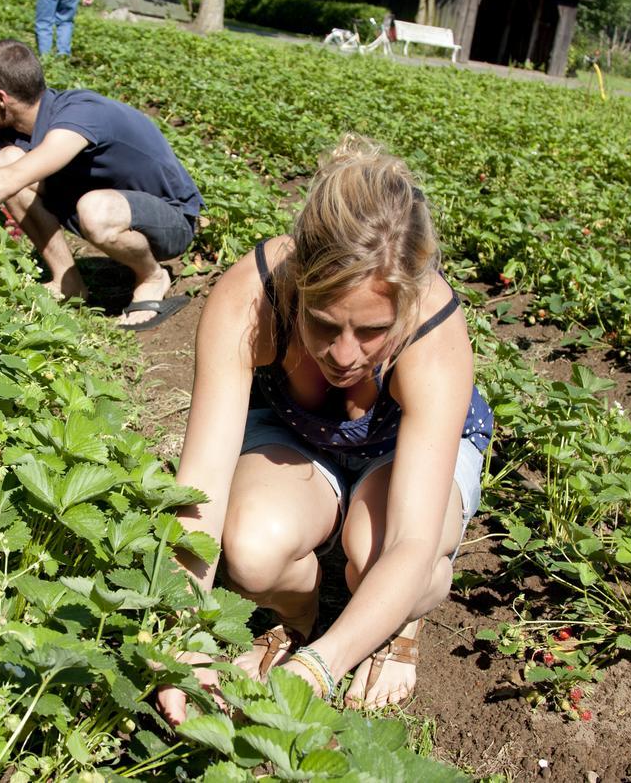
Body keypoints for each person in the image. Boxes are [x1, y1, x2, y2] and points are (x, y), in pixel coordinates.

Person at [157, 135, 493, 723]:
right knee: (253, 550)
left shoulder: (434, 330)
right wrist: (180, 632)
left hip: (401, 450)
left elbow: (411, 541)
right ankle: (299, 621)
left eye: (370, 332)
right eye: (322, 322)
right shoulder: (250, 298)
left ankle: (397, 625)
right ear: (299, 286)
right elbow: (199, 490)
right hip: (302, 431)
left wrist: (320, 669)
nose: (342, 355)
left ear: (408, 302)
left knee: (379, 558)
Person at [0, 39, 203, 330]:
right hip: (103, 208)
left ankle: (152, 277)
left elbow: (11, 179)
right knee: (5, 161)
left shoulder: (79, 115)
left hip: (171, 221)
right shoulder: (10, 128)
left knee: (91, 207)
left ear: (0, 98)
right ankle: (69, 284)